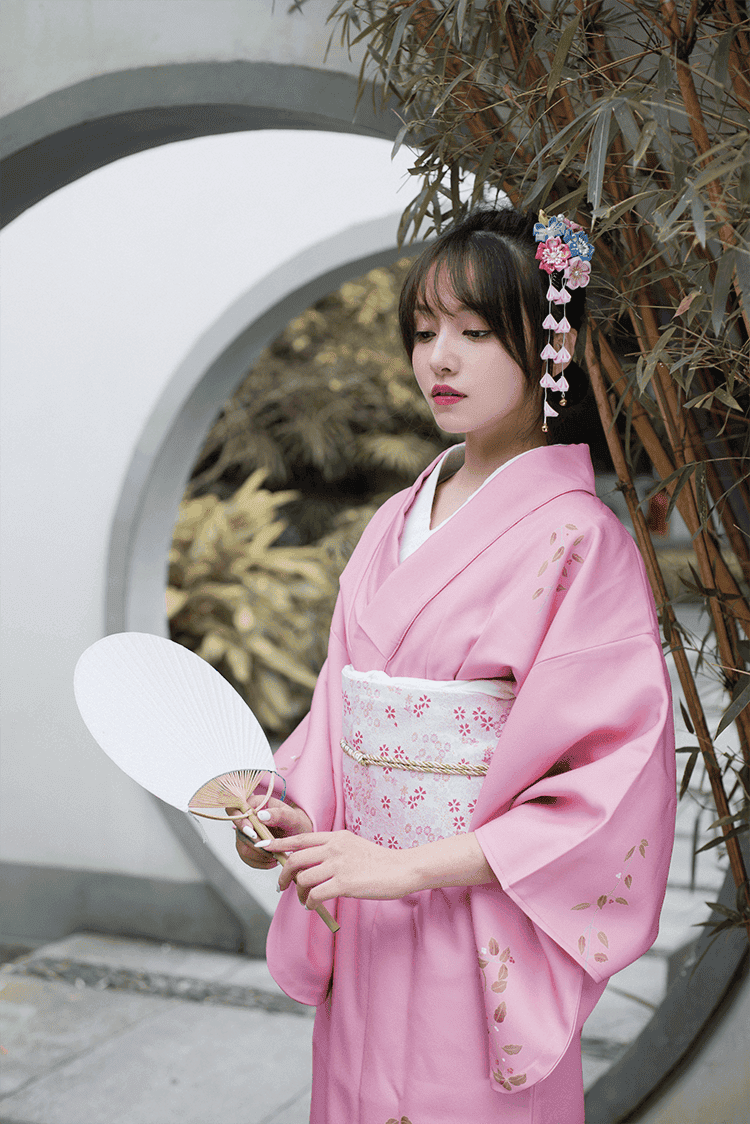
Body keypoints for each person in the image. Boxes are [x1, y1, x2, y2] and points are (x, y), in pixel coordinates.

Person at [232, 207, 676, 1124]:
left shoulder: (580, 541)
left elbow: (609, 785)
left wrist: (411, 868)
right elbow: (339, 711)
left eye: (475, 333)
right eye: (425, 330)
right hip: (362, 910)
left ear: (549, 347)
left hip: (477, 919)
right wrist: (287, 810)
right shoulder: (396, 518)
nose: (439, 357)